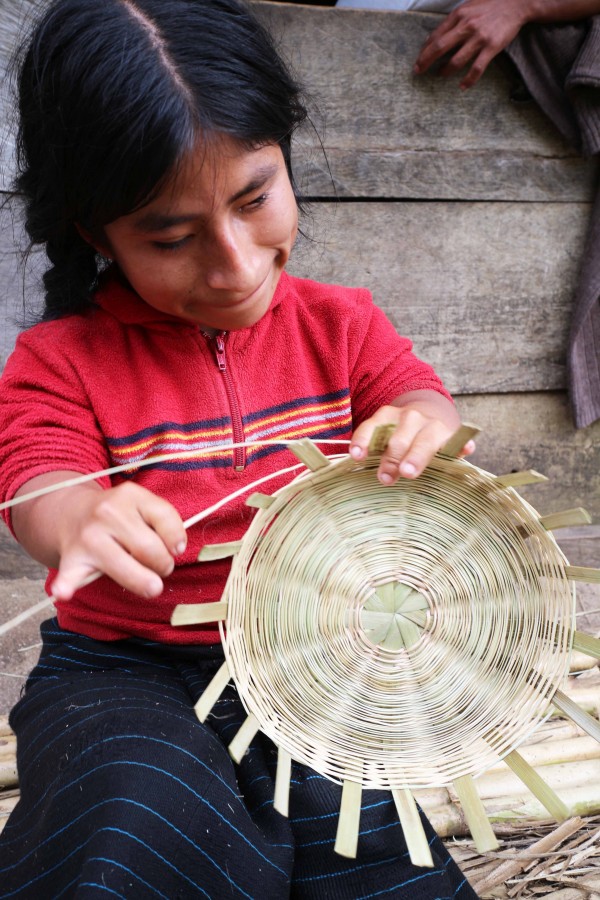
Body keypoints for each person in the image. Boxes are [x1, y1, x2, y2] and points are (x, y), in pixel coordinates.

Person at [0, 0, 476, 896]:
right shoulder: (58, 361)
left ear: (286, 159)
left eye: (255, 199)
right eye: (171, 237)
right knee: (134, 811)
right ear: (93, 232)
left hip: (309, 669)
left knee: (370, 853)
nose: (234, 265)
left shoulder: (343, 325)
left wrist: (421, 429)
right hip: (121, 672)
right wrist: (81, 517)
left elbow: (421, 400)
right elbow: (39, 481)